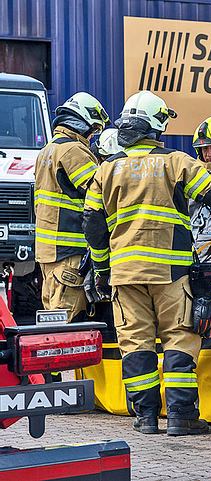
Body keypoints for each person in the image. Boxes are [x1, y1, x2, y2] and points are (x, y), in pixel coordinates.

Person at [83, 90, 211, 436]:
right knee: (179, 338)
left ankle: (146, 418)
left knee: (136, 344)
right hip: (171, 273)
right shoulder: (177, 162)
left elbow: (92, 226)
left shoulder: (105, 170)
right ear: (156, 126)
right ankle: (182, 417)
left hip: (124, 274)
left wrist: (102, 269)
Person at [35, 92, 110, 321]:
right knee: (66, 327)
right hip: (70, 254)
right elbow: (100, 193)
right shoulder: (73, 151)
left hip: (50, 253)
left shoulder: (47, 150)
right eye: (93, 129)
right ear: (82, 123)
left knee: (53, 318)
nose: (92, 137)